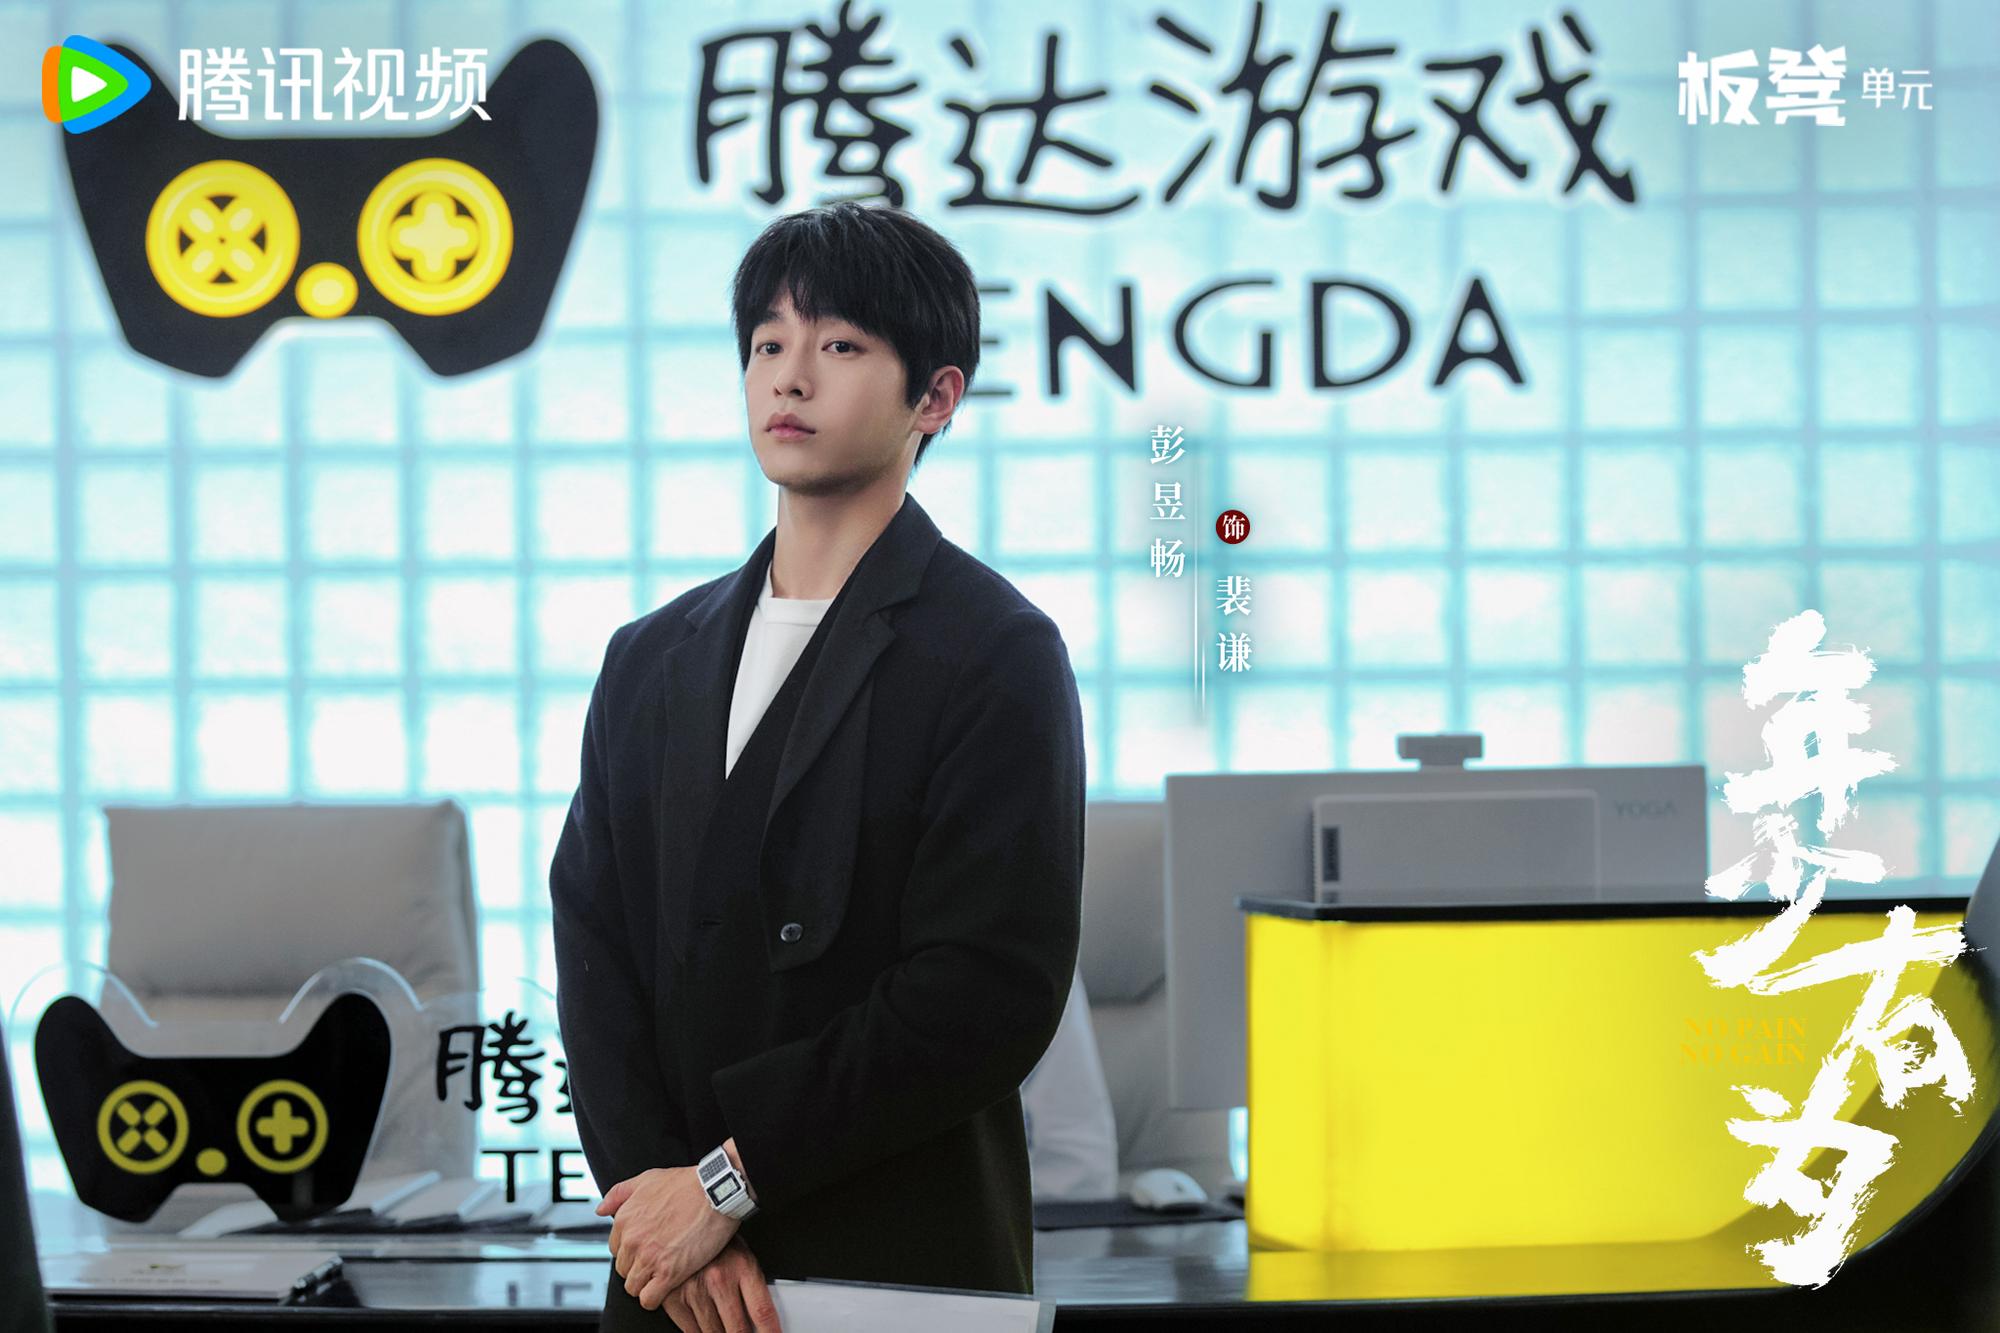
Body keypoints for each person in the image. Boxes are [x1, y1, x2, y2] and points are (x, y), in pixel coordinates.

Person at [550, 201, 1087, 1333]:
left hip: (892, 1261)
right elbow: (593, 943)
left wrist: (724, 1183)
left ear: (935, 397)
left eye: (839, 345)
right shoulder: (650, 656)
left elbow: (987, 992)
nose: (789, 377)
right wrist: (660, 1203)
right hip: (670, 1277)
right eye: (767, 345)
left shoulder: (995, 650)